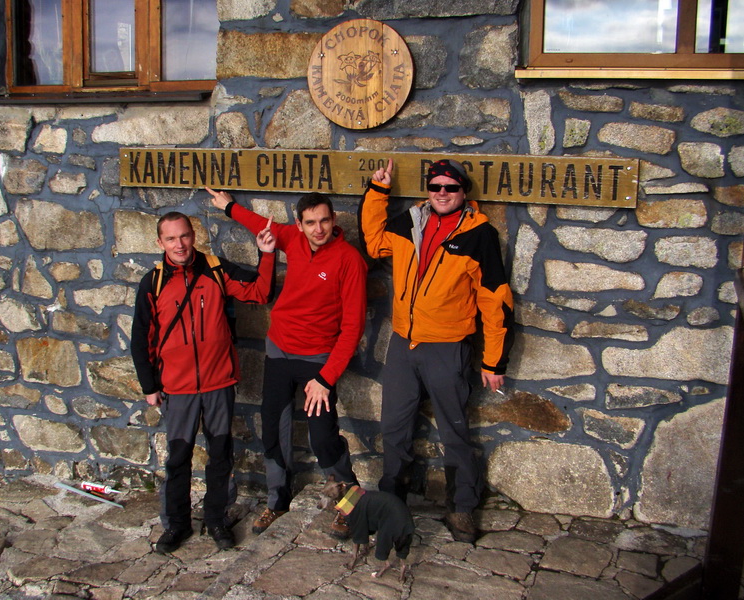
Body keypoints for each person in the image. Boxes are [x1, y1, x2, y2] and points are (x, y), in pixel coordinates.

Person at [359, 158, 514, 543]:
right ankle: (392, 503)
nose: (442, 194)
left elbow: (495, 300)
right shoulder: (408, 222)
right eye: (435, 187)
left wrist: (494, 360)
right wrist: (378, 192)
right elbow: (374, 242)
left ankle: (461, 508)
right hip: (403, 344)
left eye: (450, 188)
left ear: (463, 192)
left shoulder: (480, 234)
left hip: (448, 346)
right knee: (393, 428)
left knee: (455, 430)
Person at [207, 188, 368, 539]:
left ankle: (352, 499)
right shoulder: (292, 238)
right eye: (310, 222)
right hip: (280, 351)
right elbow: (261, 225)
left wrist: (326, 378)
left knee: (323, 438)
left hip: (318, 360)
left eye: (324, 220)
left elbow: (353, 327)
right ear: (300, 223)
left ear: (334, 219)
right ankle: (277, 501)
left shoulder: (349, 260)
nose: (318, 228)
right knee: (273, 432)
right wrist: (229, 206)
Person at [131, 211, 276, 552]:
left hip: (217, 382)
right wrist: (149, 386)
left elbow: (259, 291)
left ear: (192, 235)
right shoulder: (152, 282)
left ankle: (216, 518)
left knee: (220, 455)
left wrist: (267, 254)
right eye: (171, 238)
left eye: (183, 236)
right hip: (177, 388)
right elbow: (142, 338)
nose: (179, 244)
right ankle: (177, 524)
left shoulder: (215, 269)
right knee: (178, 458)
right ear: (160, 243)